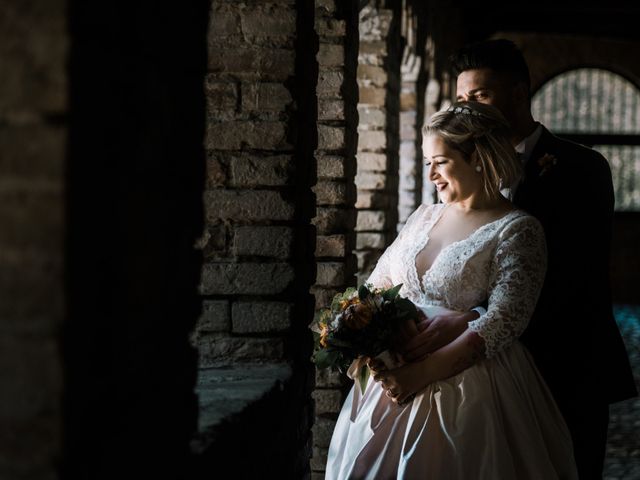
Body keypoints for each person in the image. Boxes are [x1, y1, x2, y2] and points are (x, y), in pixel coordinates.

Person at [398, 39, 637, 479]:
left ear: (519, 94)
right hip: (477, 376)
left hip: (565, 360)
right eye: (462, 99)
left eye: (481, 97)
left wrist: (471, 317)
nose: (468, 110)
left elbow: (573, 275)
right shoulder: (453, 173)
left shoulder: (583, 168)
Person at [325, 101, 578, 479]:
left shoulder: (517, 229)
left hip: (467, 390)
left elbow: (505, 321)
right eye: (427, 162)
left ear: (477, 157)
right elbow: (376, 285)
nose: (431, 175)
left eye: (440, 162)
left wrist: (419, 374)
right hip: (388, 378)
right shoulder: (423, 216)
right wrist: (373, 330)